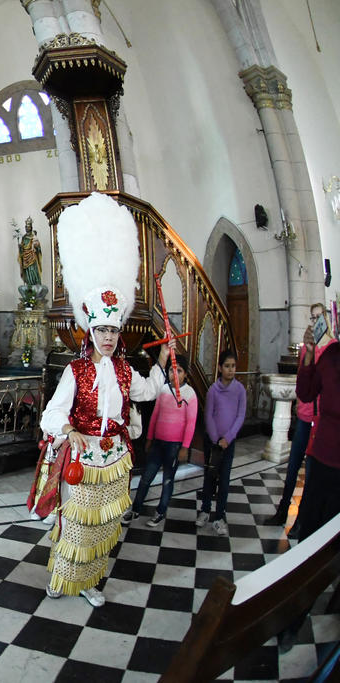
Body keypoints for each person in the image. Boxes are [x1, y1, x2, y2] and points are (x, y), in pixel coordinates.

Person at [39, 192, 172, 608]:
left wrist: (163, 364)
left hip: (116, 457)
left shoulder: (126, 369)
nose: (110, 338)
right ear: (91, 332)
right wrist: (68, 431)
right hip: (83, 458)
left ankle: (93, 581)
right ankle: (63, 577)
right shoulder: (75, 372)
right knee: (77, 524)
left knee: (106, 526)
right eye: (102, 332)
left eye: (114, 331)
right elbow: (52, 414)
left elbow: (147, 393)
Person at [266, 302, 335, 530]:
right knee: (293, 466)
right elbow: (302, 381)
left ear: (326, 319)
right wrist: (297, 404)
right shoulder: (307, 348)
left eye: (319, 317)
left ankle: (301, 520)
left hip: (320, 421)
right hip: (304, 416)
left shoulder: (332, 348)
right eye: (312, 318)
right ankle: (282, 511)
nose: (315, 322)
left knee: (312, 473)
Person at [122, 355, 197, 527]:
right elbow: (155, 415)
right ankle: (136, 509)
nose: (175, 374)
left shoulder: (189, 394)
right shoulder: (163, 390)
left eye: (179, 371)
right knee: (146, 477)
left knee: (167, 481)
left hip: (175, 445)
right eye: (172, 370)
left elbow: (191, 423)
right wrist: (149, 438)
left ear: (185, 374)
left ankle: (160, 512)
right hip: (158, 443)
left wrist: (185, 447)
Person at [198, 350, 246, 536]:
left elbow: (240, 415)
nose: (231, 370)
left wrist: (228, 438)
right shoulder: (213, 390)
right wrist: (216, 438)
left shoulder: (239, 390)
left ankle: (219, 517)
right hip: (213, 442)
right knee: (209, 476)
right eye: (227, 366)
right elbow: (208, 415)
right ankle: (205, 511)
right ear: (220, 368)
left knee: (224, 481)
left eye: (233, 366)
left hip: (229, 442)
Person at [17, 217, 43, 288]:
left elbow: (38, 248)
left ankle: (35, 284)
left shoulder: (34, 237)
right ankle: (29, 285)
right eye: (26, 227)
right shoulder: (24, 237)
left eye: (28, 227)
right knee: (27, 272)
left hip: (33, 257)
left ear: (31, 227)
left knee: (33, 270)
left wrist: (36, 246)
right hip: (25, 259)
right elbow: (22, 250)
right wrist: (20, 248)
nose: (26, 228)